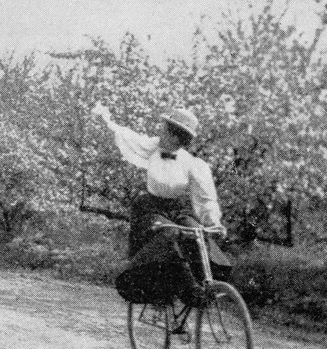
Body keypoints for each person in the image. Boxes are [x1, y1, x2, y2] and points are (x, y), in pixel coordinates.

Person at [92, 102, 231, 306]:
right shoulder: (152, 147)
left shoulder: (192, 164)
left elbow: (205, 198)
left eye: (166, 130)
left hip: (177, 208)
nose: (161, 133)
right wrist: (106, 121)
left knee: (195, 233)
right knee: (169, 236)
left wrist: (213, 223)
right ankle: (189, 290)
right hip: (150, 208)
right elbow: (128, 137)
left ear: (177, 137)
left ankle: (204, 284)